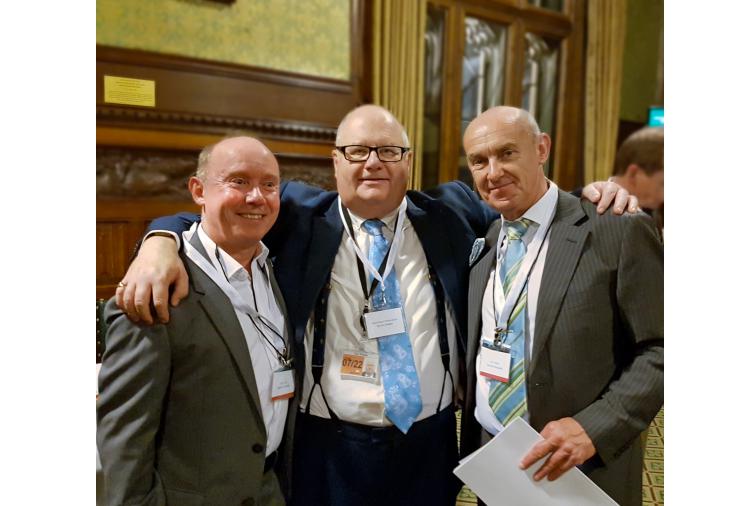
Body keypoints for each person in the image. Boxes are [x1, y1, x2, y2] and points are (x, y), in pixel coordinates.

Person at [116, 105, 636, 506]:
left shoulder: (453, 213)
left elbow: (531, 207)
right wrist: (159, 240)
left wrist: (596, 194)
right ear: (334, 161)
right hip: (328, 446)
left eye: (389, 151)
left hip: (429, 443)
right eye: (357, 151)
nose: (373, 163)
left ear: (409, 161)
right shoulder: (296, 213)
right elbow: (213, 213)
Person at [459, 106, 663, 506]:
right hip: (497, 464)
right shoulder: (487, 239)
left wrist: (594, 428)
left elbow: (661, 348)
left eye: (507, 153)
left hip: (582, 471)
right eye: (479, 161)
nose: (493, 172)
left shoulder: (615, 228)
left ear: (541, 148)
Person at [97, 136, 297, 506]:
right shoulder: (156, 289)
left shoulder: (272, 266)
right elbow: (124, 436)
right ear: (198, 190)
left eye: (269, 184)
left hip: (269, 490)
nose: (256, 197)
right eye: (238, 181)